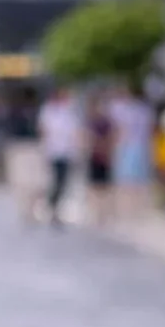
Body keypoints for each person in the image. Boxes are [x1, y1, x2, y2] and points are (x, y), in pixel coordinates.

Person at [37, 86, 82, 226]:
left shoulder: (70, 111)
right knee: (56, 180)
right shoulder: (48, 110)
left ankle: (56, 208)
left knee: (64, 181)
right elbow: (43, 129)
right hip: (54, 150)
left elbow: (75, 131)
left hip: (66, 151)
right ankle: (51, 207)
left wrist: (76, 149)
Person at [108, 83, 155, 216]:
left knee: (131, 179)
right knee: (131, 179)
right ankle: (132, 208)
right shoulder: (139, 109)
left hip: (132, 145)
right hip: (132, 145)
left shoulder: (136, 110)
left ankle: (131, 208)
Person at [86, 93, 115, 225]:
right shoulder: (90, 121)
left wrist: (105, 147)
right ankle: (95, 212)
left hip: (104, 156)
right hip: (94, 155)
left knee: (104, 185)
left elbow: (112, 136)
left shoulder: (106, 122)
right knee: (94, 185)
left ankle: (103, 212)